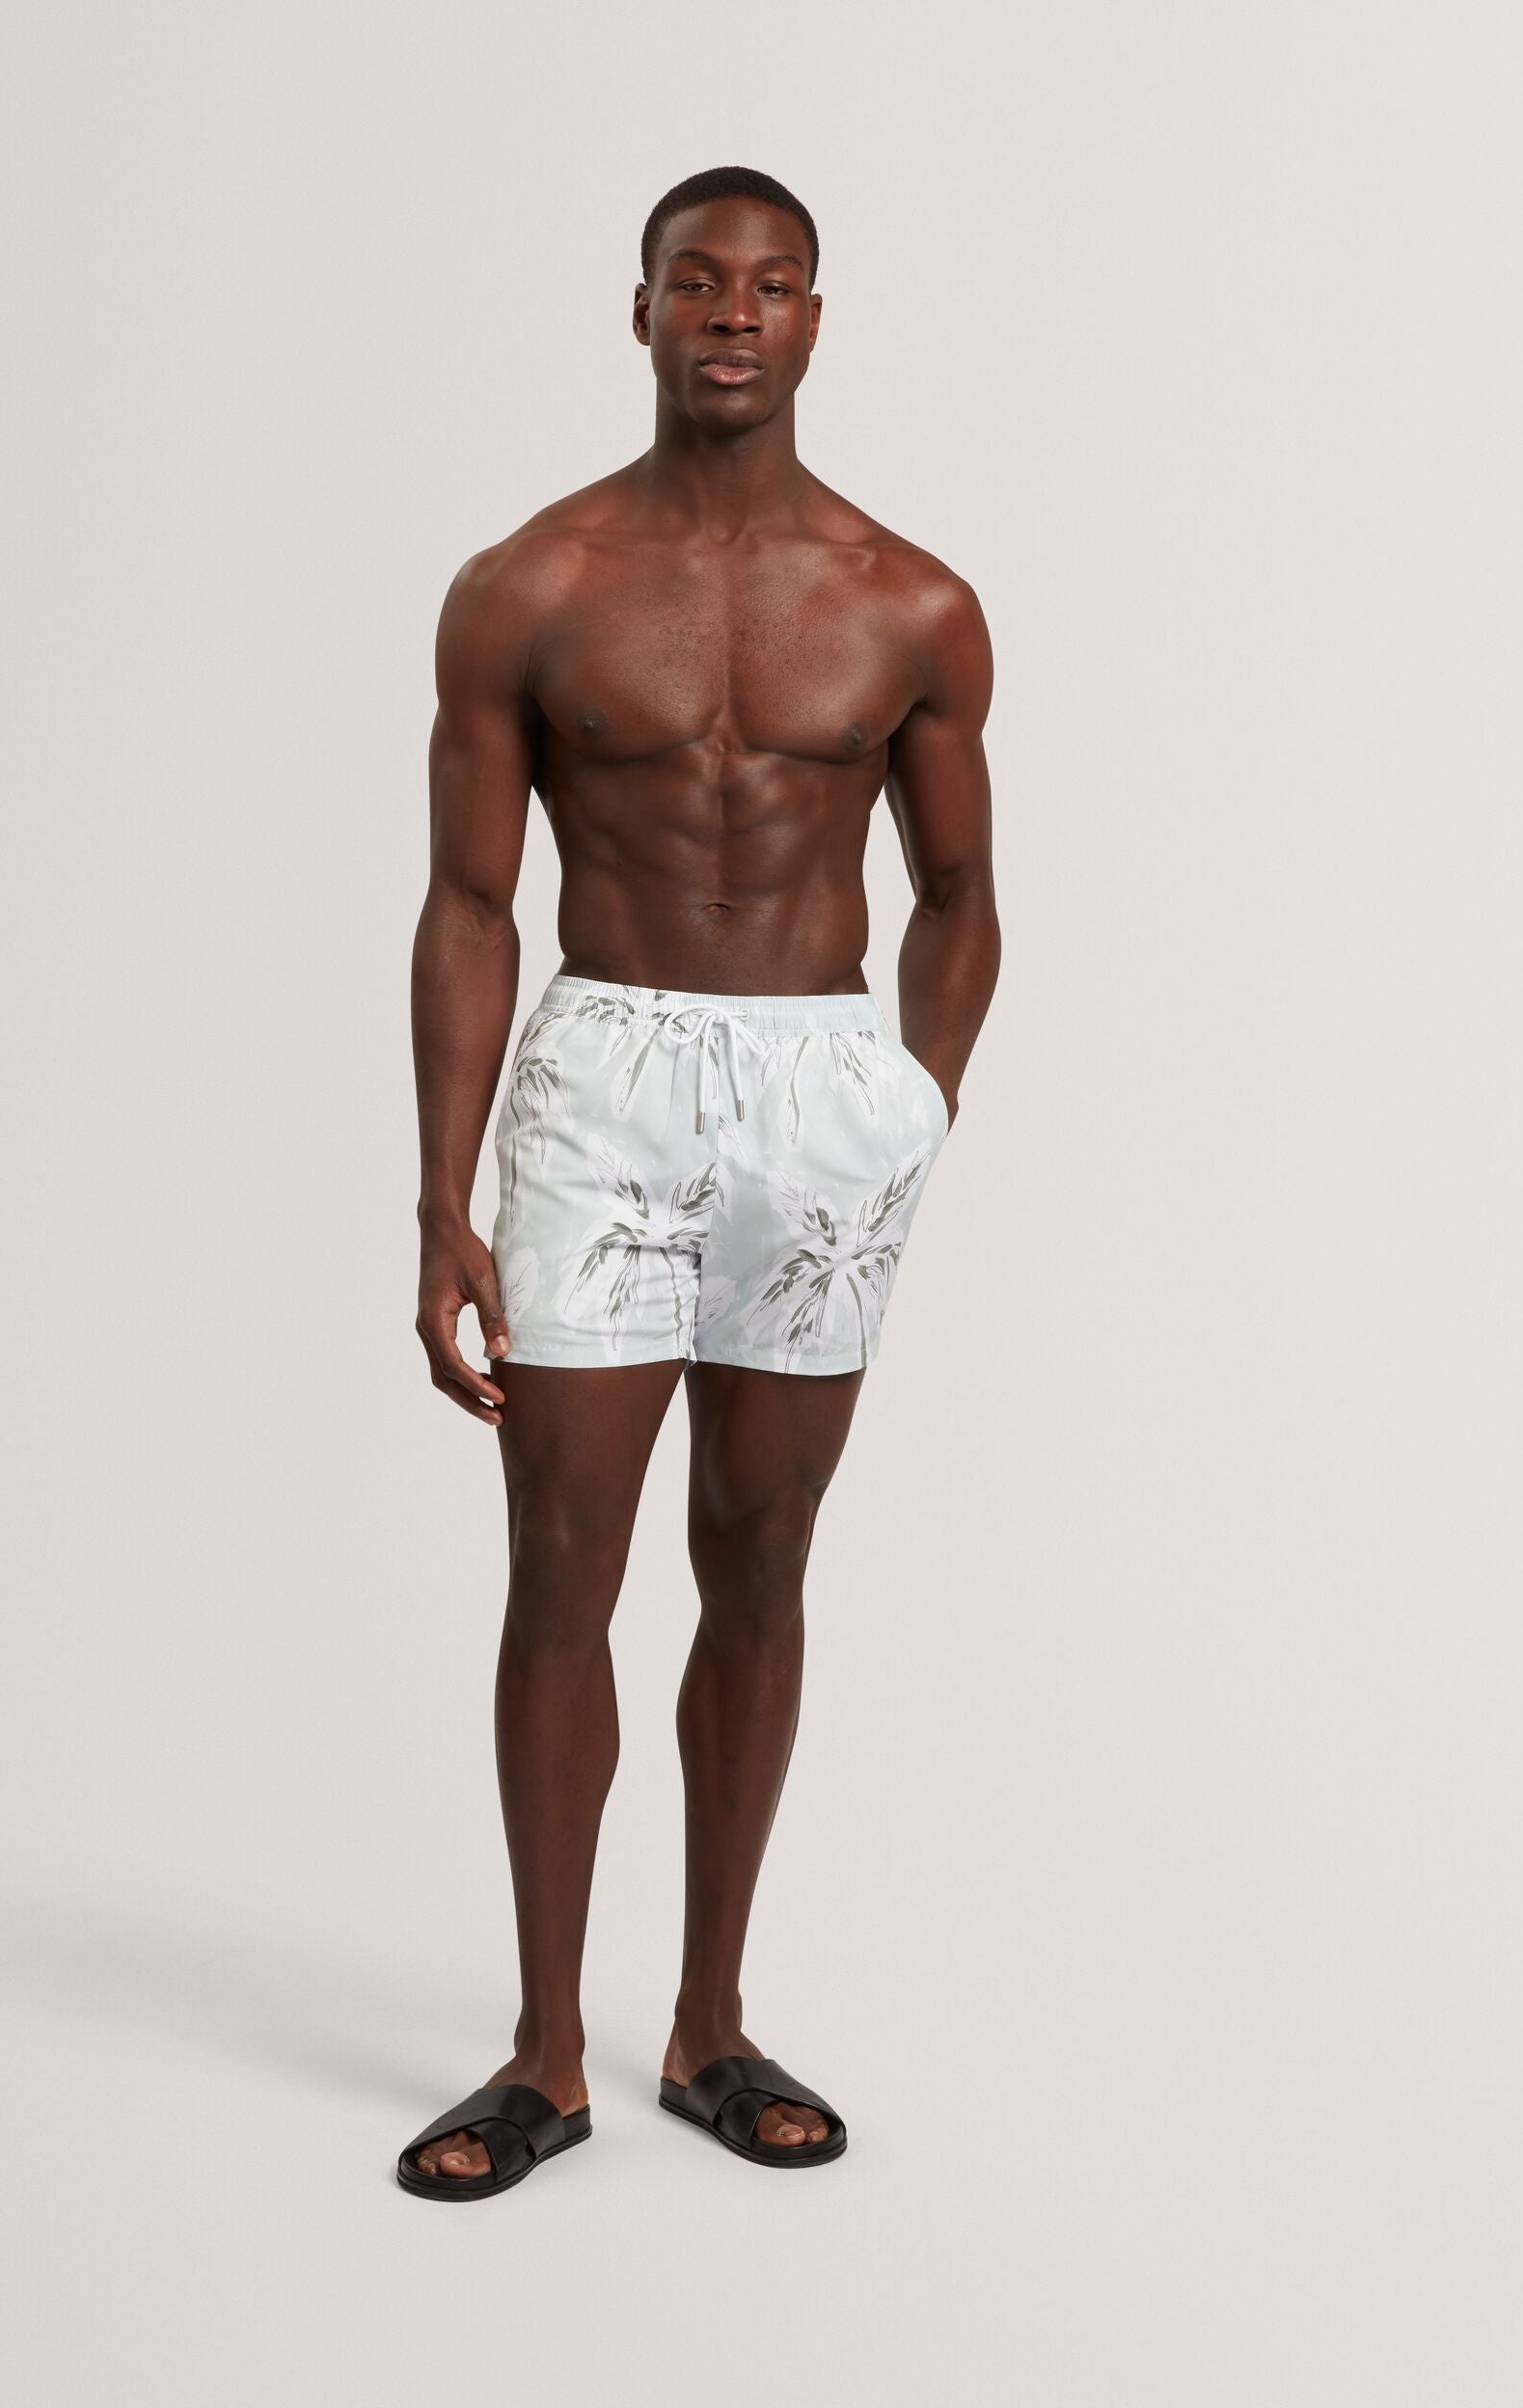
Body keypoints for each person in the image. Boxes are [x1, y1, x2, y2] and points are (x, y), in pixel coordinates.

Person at [398, 165, 999, 2198]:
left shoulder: (913, 601)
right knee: (561, 1565)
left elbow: (964, 895)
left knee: (760, 1556)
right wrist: (442, 1196)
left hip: (822, 1086)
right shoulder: (530, 585)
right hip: (607, 1081)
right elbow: (469, 903)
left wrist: (908, 1114)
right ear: (642, 309)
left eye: (772, 284)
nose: (732, 312)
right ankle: (544, 2054)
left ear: (816, 318)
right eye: (695, 281)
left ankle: (711, 2026)